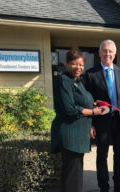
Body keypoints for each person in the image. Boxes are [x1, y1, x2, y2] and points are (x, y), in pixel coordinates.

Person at [82, 40, 120, 192]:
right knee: (102, 154)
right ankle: (103, 186)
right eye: (104, 51)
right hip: (101, 121)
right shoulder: (91, 74)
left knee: (119, 154)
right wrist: (90, 123)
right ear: (99, 53)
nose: (107, 54)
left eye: (110, 51)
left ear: (115, 54)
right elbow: (87, 101)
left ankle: (118, 184)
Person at [51, 50, 104, 192]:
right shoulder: (63, 80)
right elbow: (70, 109)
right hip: (70, 134)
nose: (78, 68)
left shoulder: (78, 81)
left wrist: (92, 104)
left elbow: (80, 101)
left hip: (79, 135)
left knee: (76, 173)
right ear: (67, 63)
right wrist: (93, 112)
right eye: (74, 64)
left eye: (81, 65)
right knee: (71, 175)